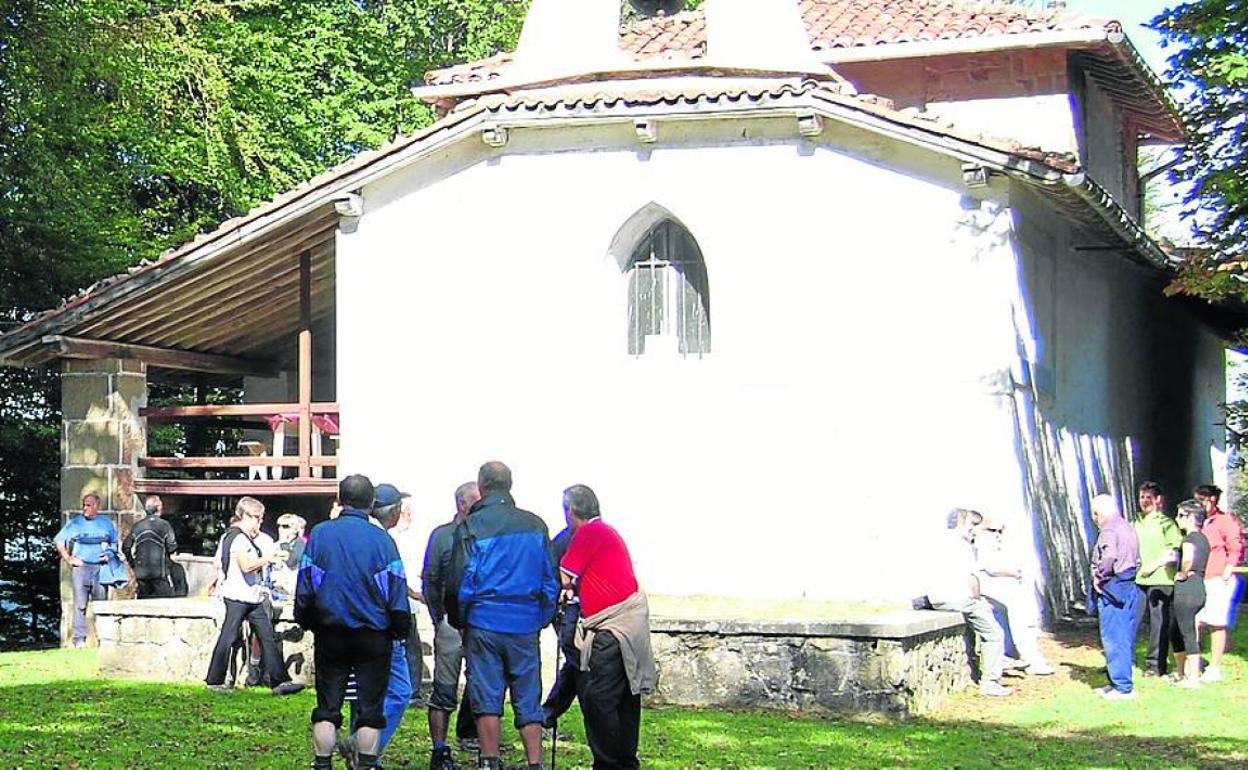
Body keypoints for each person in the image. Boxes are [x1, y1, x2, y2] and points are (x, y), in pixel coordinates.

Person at [296, 474, 412, 770]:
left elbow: (306, 583)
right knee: (370, 709)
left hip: (330, 633)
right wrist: (399, 628)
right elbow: (395, 589)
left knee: (327, 708)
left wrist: (308, 619)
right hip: (373, 636)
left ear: (340, 499)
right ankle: (367, 764)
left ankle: (322, 764)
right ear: (370, 503)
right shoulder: (382, 541)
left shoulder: (320, 534)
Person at [448, 461, 558, 770]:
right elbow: (551, 580)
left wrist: (462, 619)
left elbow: (460, 581)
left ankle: (489, 761)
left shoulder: (471, 526)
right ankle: (535, 763)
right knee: (527, 695)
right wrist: (541, 617)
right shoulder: (535, 525)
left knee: (486, 697)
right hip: (524, 622)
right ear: (509, 486)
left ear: (481, 487)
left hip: (483, 621)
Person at [559, 485, 657, 770]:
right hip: (623, 627)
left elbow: (565, 576)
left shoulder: (590, 532)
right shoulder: (605, 532)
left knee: (599, 697)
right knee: (624, 697)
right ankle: (624, 761)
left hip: (613, 627)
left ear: (571, 511)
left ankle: (609, 763)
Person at [204, 497, 304, 697]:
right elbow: (246, 565)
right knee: (228, 636)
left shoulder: (237, 537)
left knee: (267, 636)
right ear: (246, 516)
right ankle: (214, 680)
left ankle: (280, 681)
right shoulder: (237, 538)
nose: (259, 524)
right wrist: (268, 559)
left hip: (253, 596)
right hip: (237, 595)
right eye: (257, 519)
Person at [423, 481, 482, 770]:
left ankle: (484, 748)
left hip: (481, 623)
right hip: (450, 622)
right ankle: (439, 750)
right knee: (444, 688)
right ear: (462, 503)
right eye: (476, 500)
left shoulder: (484, 533)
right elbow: (430, 578)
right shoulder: (443, 536)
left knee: (483, 685)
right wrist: (439, 619)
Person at [924, 508, 1012, 697]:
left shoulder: (936, 541)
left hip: (938, 599)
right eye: (972, 525)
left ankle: (987, 663)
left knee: (979, 623)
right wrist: (979, 599)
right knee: (995, 633)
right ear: (960, 523)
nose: (974, 530)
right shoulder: (962, 544)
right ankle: (991, 682)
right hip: (960, 599)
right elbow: (972, 579)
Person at [973, 515, 1054, 675]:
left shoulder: (996, 545)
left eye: (1000, 531)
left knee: (1022, 618)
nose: (997, 534)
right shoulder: (982, 544)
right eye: (992, 530)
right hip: (991, 591)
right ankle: (1030, 659)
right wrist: (1014, 573)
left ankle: (1026, 657)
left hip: (1002, 590)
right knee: (1020, 619)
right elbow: (991, 567)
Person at [1089, 493, 1142, 701]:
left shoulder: (1109, 530)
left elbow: (1109, 556)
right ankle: (1119, 681)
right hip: (1129, 583)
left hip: (1113, 585)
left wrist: (1099, 576)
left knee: (1113, 635)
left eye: (1095, 515)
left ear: (1097, 513)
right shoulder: (1127, 526)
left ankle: (1122, 686)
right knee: (1125, 633)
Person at [1193, 484, 1244, 682]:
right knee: (1195, 621)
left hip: (1217, 578)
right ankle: (1193, 663)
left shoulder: (1223, 521)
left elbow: (1235, 546)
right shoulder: (1199, 522)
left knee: (1217, 623)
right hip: (1199, 577)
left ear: (1211, 500)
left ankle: (1214, 667)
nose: (1197, 503)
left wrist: (1228, 569)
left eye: (1200, 499)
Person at [54, 493, 119, 648]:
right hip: (81, 568)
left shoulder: (106, 523)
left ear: (97, 506)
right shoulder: (75, 523)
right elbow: (59, 540)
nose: (85, 508)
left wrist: (109, 555)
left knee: (101, 605)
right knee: (80, 605)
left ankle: (103, 639)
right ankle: (79, 640)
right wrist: (68, 558)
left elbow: (115, 543)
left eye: (89, 505)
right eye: (84, 504)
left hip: (101, 568)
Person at [1133, 481, 1181, 677]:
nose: (1145, 501)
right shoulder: (1135, 522)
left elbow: (1173, 553)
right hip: (1137, 580)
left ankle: (1155, 665)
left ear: (1158, 500)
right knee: (1132, 620)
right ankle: (1124, 659)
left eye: (1149, 497)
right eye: (1142, 497)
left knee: (1158, 624)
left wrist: (1152, 566)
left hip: (1161, 580)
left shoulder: (1167, 523)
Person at [541, 523, 581, 728]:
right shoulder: (567, 540)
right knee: (578, 661)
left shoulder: (576, 537)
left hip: (577, 608)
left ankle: (548, 712)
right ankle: (548, 712)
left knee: (577, 662)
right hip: (566, 608)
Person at [1170, 499, 1210, 688]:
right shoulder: (1203, 538)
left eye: (1180, 515)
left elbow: (1188, 559)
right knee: (1176, 630)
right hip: (1198, 588)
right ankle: (1180, 673)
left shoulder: (1189, 539)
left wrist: (1182, 573)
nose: (1177, 519)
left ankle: (1193, 678)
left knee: (1186, 632)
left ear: (1191, 517)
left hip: (1187, 589)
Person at [122, 495, 178, 599]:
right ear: (158, 508)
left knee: (142, 605)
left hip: (141, 574)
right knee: (166, 605)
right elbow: (172, 546)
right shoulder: (164, 525)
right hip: (159, 573)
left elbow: (126, 547)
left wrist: (133, 564)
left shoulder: (137, 526)